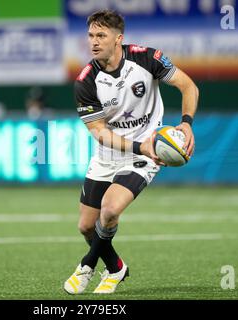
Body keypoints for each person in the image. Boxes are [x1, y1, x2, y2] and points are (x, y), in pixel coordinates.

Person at [64, 10, 198, 294]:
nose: (94, 42)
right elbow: (100, 132)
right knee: (86, 226)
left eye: (101, 35)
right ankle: (115, 268)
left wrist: (186, 124)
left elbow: (188, 86)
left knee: (110, 210)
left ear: (118, 39)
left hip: (145, 153)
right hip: (110, 152)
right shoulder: (86, 81)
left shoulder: (147, 58)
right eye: (91, 35)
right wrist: (141, 145)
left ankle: (87, 265)